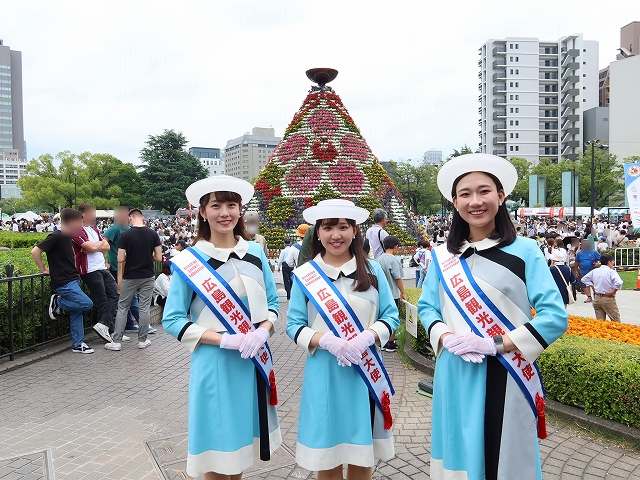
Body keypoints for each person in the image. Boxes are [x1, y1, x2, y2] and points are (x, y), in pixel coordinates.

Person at [417, 153, 568, 480]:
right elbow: (428, 308)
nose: (475, 201)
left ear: (501, 196)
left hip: (507, 372)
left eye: (484, 191)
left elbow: (554, 317)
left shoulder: (526, 250)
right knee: (459, 458)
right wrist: (446, 336)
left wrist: (494, 344)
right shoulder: (443, 256)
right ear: (454, 202)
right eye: (465, 194)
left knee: (506, 461)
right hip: (455, 370)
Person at [162, 175, 281, 479]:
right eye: (216, 205)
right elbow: (173, 319)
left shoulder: (255, 255)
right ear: (202, 212)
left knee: (239, 455)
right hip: (213, 365)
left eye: (231, 205)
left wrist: (262, 330)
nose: (224, 213)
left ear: (241, 209)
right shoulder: (191, 261)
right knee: (216, 455)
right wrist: (224, 340)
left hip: (250, 362)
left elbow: (273, 305)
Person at [287, 199, 399, 480]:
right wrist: (325, 341)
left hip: (366, 375)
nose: (336, 235)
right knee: (328, 456)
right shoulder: (305, 275)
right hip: (324, 374)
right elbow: (293, 325)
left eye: (343, 227)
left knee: (363, 455)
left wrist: (369, 336)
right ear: (318, 232)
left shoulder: (372, 271)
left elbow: (391, 316)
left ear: (354, 230)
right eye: (328, 227)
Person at [30, 208, 95, 354]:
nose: (81, 224)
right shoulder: (56, 236)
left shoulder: (69, 237)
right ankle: (58, 302)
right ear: (72, 222)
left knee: (77, 310)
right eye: (79, 221)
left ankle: (78, 344)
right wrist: (43, 269)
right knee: (86, 303)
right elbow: (35, 251)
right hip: (64, 282)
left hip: (72, 278)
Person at [105, 209, 162, 351]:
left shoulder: (125, 235)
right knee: (144, 308)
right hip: (148, 275)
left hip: (130, 276)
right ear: (142, 218)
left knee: (123, 307)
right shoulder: (153, 234)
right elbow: (159, 258)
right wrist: (149, 256)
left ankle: (117, 341)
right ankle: (142, 340)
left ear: (130, 219)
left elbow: (119, 259)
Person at [72, 203, 118, 343]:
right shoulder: (77, 230)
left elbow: (107, 246)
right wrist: (98, 245)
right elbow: (95, 246)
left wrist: (95, 247)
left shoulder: (94, 229)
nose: (94, 216)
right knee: (102, 299)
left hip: (102, 267)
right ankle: (108, 330)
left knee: (116, 294)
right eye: (91, 213)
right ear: (83, 214)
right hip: (89, 269)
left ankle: (104, 325)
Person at [103, 206, 144, 334]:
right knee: (128, 297)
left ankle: (130, 324)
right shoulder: (114, 228)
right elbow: (103, 243)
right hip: (116, 267)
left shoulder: (128, 228)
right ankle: (139, 324)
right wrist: (104, 262)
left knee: (129, 297)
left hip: (128, 267)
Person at [376, 235, 408, 352]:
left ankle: (383, 341)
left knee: (382, 318)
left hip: (381, 294)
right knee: (393, 317)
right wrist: (403, 292)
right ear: (396, 246)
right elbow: (397, 278)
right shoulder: (393, 259)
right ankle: (390, 343)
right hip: (392, 294)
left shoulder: (378, 259)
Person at [580, 253, 623, 322]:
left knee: (600, 322)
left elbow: (584, 279)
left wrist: (592, 285)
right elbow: (619, 282)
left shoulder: (595, 271)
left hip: (597, 298)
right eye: (613, 261)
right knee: (616, 321)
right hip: (608, 298)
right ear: (609, 262)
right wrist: (613, 291)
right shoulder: (611, 272)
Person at [574, 238, 601, 303]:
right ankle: (589, 297)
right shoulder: (579, 253)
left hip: (593, 271)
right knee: (584, 284)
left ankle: (596, 296)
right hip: (583, 271)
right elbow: (576, 262)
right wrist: (576, 270)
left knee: (594, 284)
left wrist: (598, 264)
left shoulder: (594, 252)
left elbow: (601, 260)